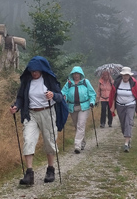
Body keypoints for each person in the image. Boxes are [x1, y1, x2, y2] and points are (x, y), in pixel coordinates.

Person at [10, 56, 67, 186]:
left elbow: (60, 96)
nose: (34, 73)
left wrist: (53, 95)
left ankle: (50, 170)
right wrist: (16, 106)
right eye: (32, 71)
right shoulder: (27, 81)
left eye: (36, 70)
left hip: (47, 112)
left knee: (49, 141)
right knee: (28, 140)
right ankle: (29, 174)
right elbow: (20, 98)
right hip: (30, 114)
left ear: (41, 70)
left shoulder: (49, 80)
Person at [62, 66, 97, 154]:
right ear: (72, 74)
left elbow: (92, 93)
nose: (76, 75)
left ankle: (77, 145)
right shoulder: (69, 83)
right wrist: (63, 98)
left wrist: (92, 102)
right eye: (74, 74)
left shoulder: (85, 82)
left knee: (80, 124)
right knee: (76, 126)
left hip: (84, 106)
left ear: (81, 74)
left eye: (78, 74)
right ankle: (82, 142)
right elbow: (63, 93)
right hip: (72, 107)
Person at [109, 66, 137, 152]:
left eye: (127, 75)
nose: (125, 77)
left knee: (129, 122)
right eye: (124, 75)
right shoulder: (117, 82)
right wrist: (112, 106)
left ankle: (126, 143)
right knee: (123, 123)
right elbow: (113, 95)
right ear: (122, 75)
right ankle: (127, 137)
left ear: (130, 75)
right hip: (120, 105)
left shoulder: (134, 83)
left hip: (131, 105)